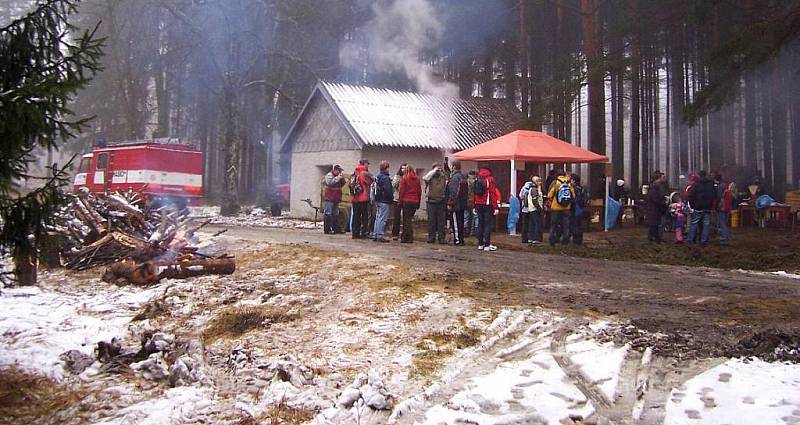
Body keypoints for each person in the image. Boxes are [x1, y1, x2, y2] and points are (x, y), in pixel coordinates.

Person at [687, 170, 717, 246]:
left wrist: (693, 205)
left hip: (697, 207)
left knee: (694, 223)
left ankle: (690, 240)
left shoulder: (696, 184)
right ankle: (703, 241)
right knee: (706, 225)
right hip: (707, 207)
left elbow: (691, 196)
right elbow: (714, 195)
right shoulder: (710, 184)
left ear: (699, 175)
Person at [474, 167, 500, 251]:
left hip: (478, 204)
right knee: (487, 225)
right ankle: (487, 245)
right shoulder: (490, 180)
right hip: (487, 204)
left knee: (480, 224)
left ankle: (480, 244)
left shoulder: (477, 179)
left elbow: (475, 193)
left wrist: (474, 205)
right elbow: (493, 194)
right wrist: (495, 206)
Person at [547, 170, 574, 246]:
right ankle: (565, 241)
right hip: (566, 208)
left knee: (553, 225)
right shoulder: (568, 183)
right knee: (566, 225)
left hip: (555, 208)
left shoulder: (555, 182)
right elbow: (573, 195)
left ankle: (552, 241)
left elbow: (549, 195)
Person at [423, 162, 448, 244]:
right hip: (431, 201)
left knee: (441, 221)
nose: (438, 170)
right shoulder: (430, 177)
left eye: (439, 168)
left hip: (441, 201)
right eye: (437, 168)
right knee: (431, 221)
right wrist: (433, 171)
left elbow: (448, 179)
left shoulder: (443, 176)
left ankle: (441, 238)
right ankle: (431, 237)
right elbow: (425, 178)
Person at [370, 161, 393, 243]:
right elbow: (388, 190)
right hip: (384, 200)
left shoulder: (378, 177)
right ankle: (380, 235)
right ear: (386, 168)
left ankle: (375, 234)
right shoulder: (386, 178)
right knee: (382, 218)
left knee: (378, 217)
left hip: (378, 199)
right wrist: (391, 198)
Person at [446, 160, 468, 246]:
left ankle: (458, 239)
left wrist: (450, 203)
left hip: (456, 204)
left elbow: (453, 191)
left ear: (454, 167)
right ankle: (461, 239)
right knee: (461, 222)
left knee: (455, 222)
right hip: (462, 203)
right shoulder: (463, 177)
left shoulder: (455, 177)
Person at [350, 159, 373, 239]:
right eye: (367, 164)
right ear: (364, 164)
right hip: (363, 197)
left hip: (354, 198)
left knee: (356, 216)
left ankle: (355, 233)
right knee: (364, 216)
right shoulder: (365, 173)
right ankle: (364, 233)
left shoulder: (355, 173)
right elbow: (370, 181)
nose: (368, 166)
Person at [399, 165, 421, 243]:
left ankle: (408, 237)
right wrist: (419, 201)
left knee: (406, 219)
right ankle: (406, 236)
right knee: (409, 219)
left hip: (406, 200)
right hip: (415, 200)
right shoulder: (417, 179)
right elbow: (419, 191)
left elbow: (402, 190)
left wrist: (400, 201)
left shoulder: (405, 178)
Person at [646, 171, 668, 243]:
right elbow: (656, 199)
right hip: (654, 209)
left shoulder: (655, 188)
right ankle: (655, 239)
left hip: (655, 209)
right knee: (654, 225)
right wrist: (663, 202)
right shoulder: (654, 189)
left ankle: (654, 239)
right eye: (659, 179)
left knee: (654, 225)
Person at [322, 165, 345, 234]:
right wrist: (338, 178)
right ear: (335, 170)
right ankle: (327, 229)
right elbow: (330, 183)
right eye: (339, 171)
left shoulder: (338, 176)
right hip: (329, 198)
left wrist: (342, 178)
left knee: (336, 214)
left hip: (336, 198)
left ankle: (336, 229)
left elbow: (343, 184)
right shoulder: (329, 175)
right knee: (328, 214)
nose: (340, 172)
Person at [569, 174, 588, 245]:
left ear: (573, 180)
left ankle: (576, 240)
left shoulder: (574, 189)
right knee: (579, 225)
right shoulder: (582, 188)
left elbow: (574, 200)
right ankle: (579, 240)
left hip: (574, 209)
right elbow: (585, 199)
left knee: (574, 224)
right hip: (580, 209)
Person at [390, 164, 407, 240]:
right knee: (396, 217)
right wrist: (398, 178)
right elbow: (393, 185)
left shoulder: (408, 177)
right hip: (397, 198)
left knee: (406, 217)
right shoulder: (397, 176)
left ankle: (405, 233)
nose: (403, 170)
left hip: (405, 199)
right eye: (402, 168)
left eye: (405, 168)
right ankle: (395, 234)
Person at [529, 176, 544, 244]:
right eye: (538, 181)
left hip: (532, 208)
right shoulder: (534, 189)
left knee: (532, 224)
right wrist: (539, 208)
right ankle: (536, 238)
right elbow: (535, 200)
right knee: (537, 224)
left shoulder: (534, 188)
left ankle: (531, 238)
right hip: (535, 209)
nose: (540, 182)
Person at [519, 177, 535, 244]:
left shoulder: (524, 188)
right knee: (531, 224)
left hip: (524, 209)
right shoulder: (533, 188)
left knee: (525, 224)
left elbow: (520, 196)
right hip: (531, 208)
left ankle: (524, 238)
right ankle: (531, 238)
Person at [464, 170, 478, 238]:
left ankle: (465, 231)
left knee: (466, 216)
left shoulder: (465, 181)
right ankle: (474, 231)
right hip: (474, 201)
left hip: (466, 201)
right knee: (475, 216)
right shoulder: (476, 181)